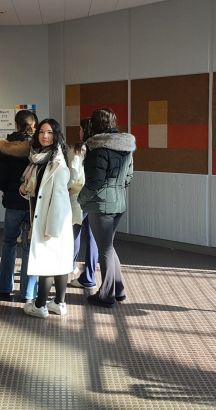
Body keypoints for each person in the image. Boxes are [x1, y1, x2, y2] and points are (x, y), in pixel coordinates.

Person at [78, 108, 136, 308]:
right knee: (108, 247)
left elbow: (94, 182)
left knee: (104, 248)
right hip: (119, 202)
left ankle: (106, 295)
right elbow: (128, 177)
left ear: (94, 124)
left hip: (101, 205)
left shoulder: (98, 149)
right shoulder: (125, 147)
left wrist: (81, 199)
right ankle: (118, 290)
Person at [20, 119, 74, 318]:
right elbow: (38, 191)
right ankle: (59, 303)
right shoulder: (39, 159)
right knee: (59, 261)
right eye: (42, 132)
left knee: (47, 262)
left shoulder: (58, 164)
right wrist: (25, 190)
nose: (45, 136)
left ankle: (40, 305)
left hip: (52, 220)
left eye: (49, 132)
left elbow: (59, 198)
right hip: (45, 216)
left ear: (56, 135)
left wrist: (52, 228)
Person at [0, 110, 38, 302]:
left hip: (12, 202)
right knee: (29, 246)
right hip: (33, 204)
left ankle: (4, 288)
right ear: (33, 125)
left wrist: (9, 190)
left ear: (16, 125)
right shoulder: (38, 147)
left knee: (9, 243)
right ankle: (28, 293)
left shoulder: (5, 147)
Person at [68, 118, 99, 289]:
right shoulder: (99, 149)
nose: (79, 132)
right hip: (95, 197)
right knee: (92, 238)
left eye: (80, 129)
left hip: (77, 196)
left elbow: (73, 174)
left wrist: (66, 188)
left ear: (84, 130)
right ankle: (89, 276)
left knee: (74, 233)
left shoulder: (76, 149)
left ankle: (69, 265)